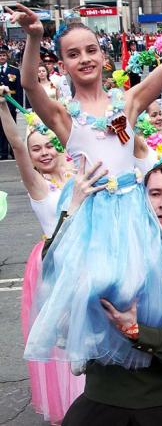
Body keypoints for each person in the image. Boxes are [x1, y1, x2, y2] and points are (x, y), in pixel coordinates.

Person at [11, 1, 162, 370]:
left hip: (132, 205)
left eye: (91, 50)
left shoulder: (129, 101)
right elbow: (29, 83)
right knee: (96, 281)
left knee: (138, 284)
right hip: (95, 210)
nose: (85, 59)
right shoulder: (63, 116)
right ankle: (87, 341)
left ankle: (138, 342)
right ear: (63, 64)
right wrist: (34, 37)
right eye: (73, 54)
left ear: (103, 55)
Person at [55, 158, 162, 425]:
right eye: (155, 193)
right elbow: (54, 272)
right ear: (141, 199)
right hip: (101, 397)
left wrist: (134, 331)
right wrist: (73, 208)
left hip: (160, 400)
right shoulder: (109, 248)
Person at [0, 86, 82, 424]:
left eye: (49, 145)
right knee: (62, 337)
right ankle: (71, 401)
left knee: (90, 329)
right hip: (52, 263)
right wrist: (4, 108)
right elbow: (17, 145)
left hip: (85, 257)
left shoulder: (79, 170)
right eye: (37, 150)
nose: (44, 153)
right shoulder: (37, 186)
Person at [0, 44, 22, 159]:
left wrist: (19, 105)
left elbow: (18, 88)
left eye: (3, 55)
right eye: (0, 55)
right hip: (0, 103)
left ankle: (14, 151)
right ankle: (3, 152)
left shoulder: (14, 70)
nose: (2, 57)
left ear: (7, 56)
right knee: (1, 128)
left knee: (12, 127)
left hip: (11, 102)